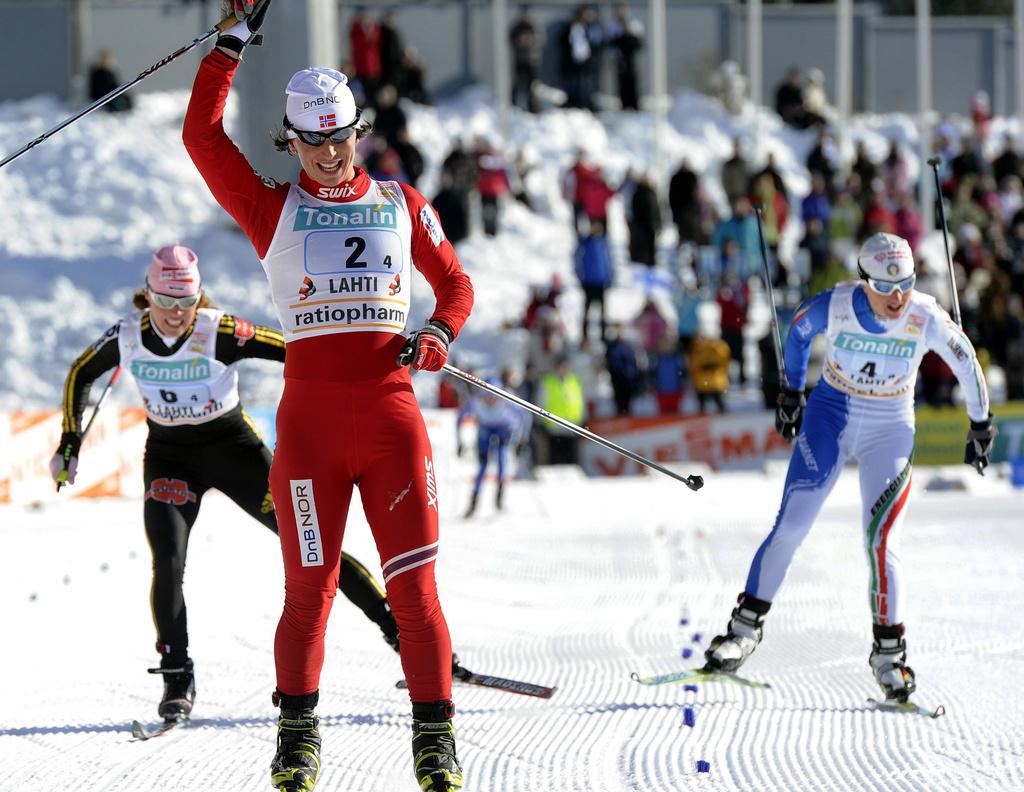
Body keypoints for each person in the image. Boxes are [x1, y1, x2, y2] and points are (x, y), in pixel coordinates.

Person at [183, 10, 473, 792]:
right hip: (310, 428)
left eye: (340, 136)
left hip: (390, 423)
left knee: (415, 591)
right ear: (290, 141)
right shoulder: (270, 207)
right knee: (308, 594)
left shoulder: (401, 203)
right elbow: (203, 138)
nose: (330, 153)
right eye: (312, 141)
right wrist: (230, 45)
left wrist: (439, 335)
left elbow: (454, 284)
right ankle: (298, 735)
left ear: (358, 128)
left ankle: (435, 736)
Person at [48, 245, 409, 723]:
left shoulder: (216, 329)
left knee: (311, 547)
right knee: (168, 560)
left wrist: (367, 355)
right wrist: (70, 439)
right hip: (171, 459)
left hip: (235, 451)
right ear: (147, 296)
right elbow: (80, 373)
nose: (177, 315)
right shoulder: (128, 336)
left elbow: (294, 347)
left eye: (186, 303)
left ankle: (401, 633)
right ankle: (178, 675)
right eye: (166, 303)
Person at [703, 233, 995, 704]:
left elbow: (965, 359)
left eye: (906, 285)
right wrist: (792, 392)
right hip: (831, 417)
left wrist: (981, 423)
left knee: (881, 541)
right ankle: (743, 631)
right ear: (864, 282)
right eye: (885, 287)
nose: (897, 298)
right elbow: (797, 331)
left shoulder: (923, 313)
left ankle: (889, 656)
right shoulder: (836, 305)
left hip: (890, 427)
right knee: (792, 526)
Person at [456, 379, 524, 517]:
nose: (490, 401)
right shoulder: (476, 401)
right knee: (482, 466)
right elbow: (459, 419)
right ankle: (473, 503)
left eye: (494, 397)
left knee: (501, 460)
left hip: (502, 428)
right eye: (487, 397)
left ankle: (499, 499)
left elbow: (523, 415)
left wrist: (521, 439)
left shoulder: (506, 398)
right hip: (485, 429)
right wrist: (460, 441)